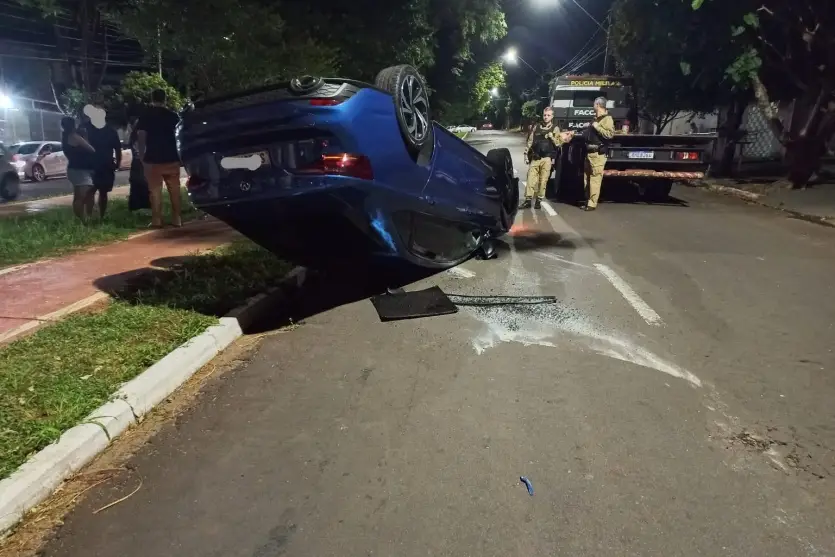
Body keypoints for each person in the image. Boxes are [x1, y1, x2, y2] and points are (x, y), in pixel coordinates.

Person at [136, 89, 182, 228]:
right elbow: (179, 137)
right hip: (172, 157)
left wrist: (142, 156)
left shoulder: (145, 116)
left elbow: (141, 138)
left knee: (155, 191)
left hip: (152, 158)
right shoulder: (173, 116)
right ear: (165, 99)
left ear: (152, 99)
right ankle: (177, 219)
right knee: (174, 190)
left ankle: (157, 220)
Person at [523, 107, 572, 210]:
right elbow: (530, 141)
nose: (546, 117)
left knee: (543, 181)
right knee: (530, 179)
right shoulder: (536, 127)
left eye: (548, 115)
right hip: (535, 157)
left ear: (552, 116)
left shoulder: (555, 128)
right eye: (545, 115)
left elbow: (558, 143)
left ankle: (539, 200)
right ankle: (528, 200)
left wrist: (552, 137)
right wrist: (526, 155)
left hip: (547, 159)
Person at [83, 106, 122, 219]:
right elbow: (118, 149)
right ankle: (101, 216)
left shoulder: (87, 129)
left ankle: (89, 216)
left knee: (91, 190)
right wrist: (118, 163)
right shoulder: (110, 131)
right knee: (102, 192)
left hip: (92, 165)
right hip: (105, 164)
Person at [61, 116, 97, 222]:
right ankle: (84, 219)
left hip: (76, 169)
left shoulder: (65, 137)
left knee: (80, 196)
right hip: (79, 171)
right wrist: (85, 136)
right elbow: (91, 149)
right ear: (73, 125)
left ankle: (83, 219)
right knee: (84, 196)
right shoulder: (74, 137)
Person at [582, 97, 615, 211]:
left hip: (598, 154)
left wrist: (597, 127)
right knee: (587, 179)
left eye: (594, 104)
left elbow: (609, 134)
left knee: (595, 179)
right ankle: (587, 200)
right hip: (589, 152)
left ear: (598, 105)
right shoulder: (595, 118)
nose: (593, 106)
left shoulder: (607, 119)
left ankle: (592, 203)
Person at [127, 115, 151, 211]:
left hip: (136, 161)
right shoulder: (142, 134)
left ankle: (136, 205)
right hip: (143, 161)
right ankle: (145, 204)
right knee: (144, 182)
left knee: (136, 183)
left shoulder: (133, 135)